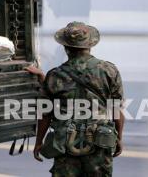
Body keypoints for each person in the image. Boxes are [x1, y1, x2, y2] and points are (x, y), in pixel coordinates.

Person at [25, 21, 124, 177]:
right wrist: (118, 138)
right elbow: (116, 110)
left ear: (65, 47)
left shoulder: (55, 75)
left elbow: (45, 114)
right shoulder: (109, 71)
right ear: (90, 45)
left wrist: (39, 142)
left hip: (65, 142)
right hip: (100, 141)